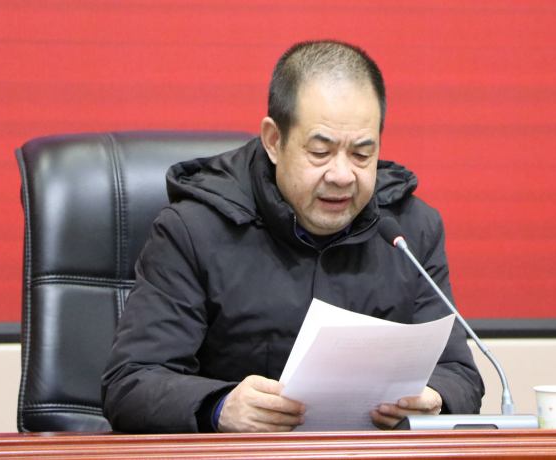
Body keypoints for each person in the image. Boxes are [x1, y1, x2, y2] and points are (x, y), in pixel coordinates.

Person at [101, 40, 484, 434]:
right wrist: (220, 406)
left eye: (361, 154)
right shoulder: (194, 230)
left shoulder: (409, 231)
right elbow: (130, 383)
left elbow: (459, 375)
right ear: (274, 140)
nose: (342, 175)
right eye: (320, 152)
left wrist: (435, 399)